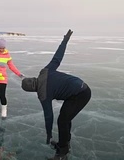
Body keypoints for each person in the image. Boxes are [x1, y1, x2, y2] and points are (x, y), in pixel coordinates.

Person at [21, 29, 91, 159]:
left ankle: (63, 152)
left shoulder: (43, 95)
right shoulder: (45, 71)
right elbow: (57, 57)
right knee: (65, 117)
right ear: (32, 78)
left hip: (80, 94)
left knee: (63, 120)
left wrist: (48, 134)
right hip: (81, 88)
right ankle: (65, 143)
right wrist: (65, 40)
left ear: (31, 90)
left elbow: (49, 116)